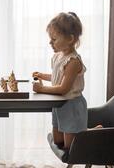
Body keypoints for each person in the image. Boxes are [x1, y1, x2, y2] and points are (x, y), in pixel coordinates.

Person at [32, 12, 87, 149]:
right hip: (59, 104)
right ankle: (85, 133)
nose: (50, 42)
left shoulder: (73, 61)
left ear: (70, 39)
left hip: (71, 104)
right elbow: (57, 78)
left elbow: (63, 88)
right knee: (58, 141)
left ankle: (94, 132)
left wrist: (41, 89)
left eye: (54, 39)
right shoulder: (58, 56)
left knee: (70, 146)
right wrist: (43, 76)